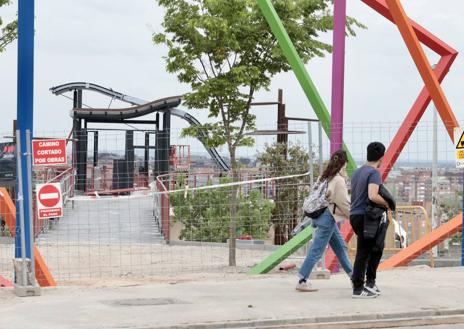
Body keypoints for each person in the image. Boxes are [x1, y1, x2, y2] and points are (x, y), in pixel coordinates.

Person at [296, 150, 353, 292]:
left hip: (321, 216)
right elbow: (343, 203)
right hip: (328, 219)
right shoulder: (338, 180)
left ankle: (354, 277)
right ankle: (302, 280)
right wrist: (354, 217)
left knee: (340, 247)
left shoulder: (325, 176)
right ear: (344, 163)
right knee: (317, 250)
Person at [350, 142, 389, 299]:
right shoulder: (374, 173)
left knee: (372, 249)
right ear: (381, 157)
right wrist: (387, 203)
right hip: (366, 217)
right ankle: (359, 289)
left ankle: (369, 283)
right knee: (364, 252)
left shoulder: (357, 172)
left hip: (355, 215)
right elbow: (372, 195)